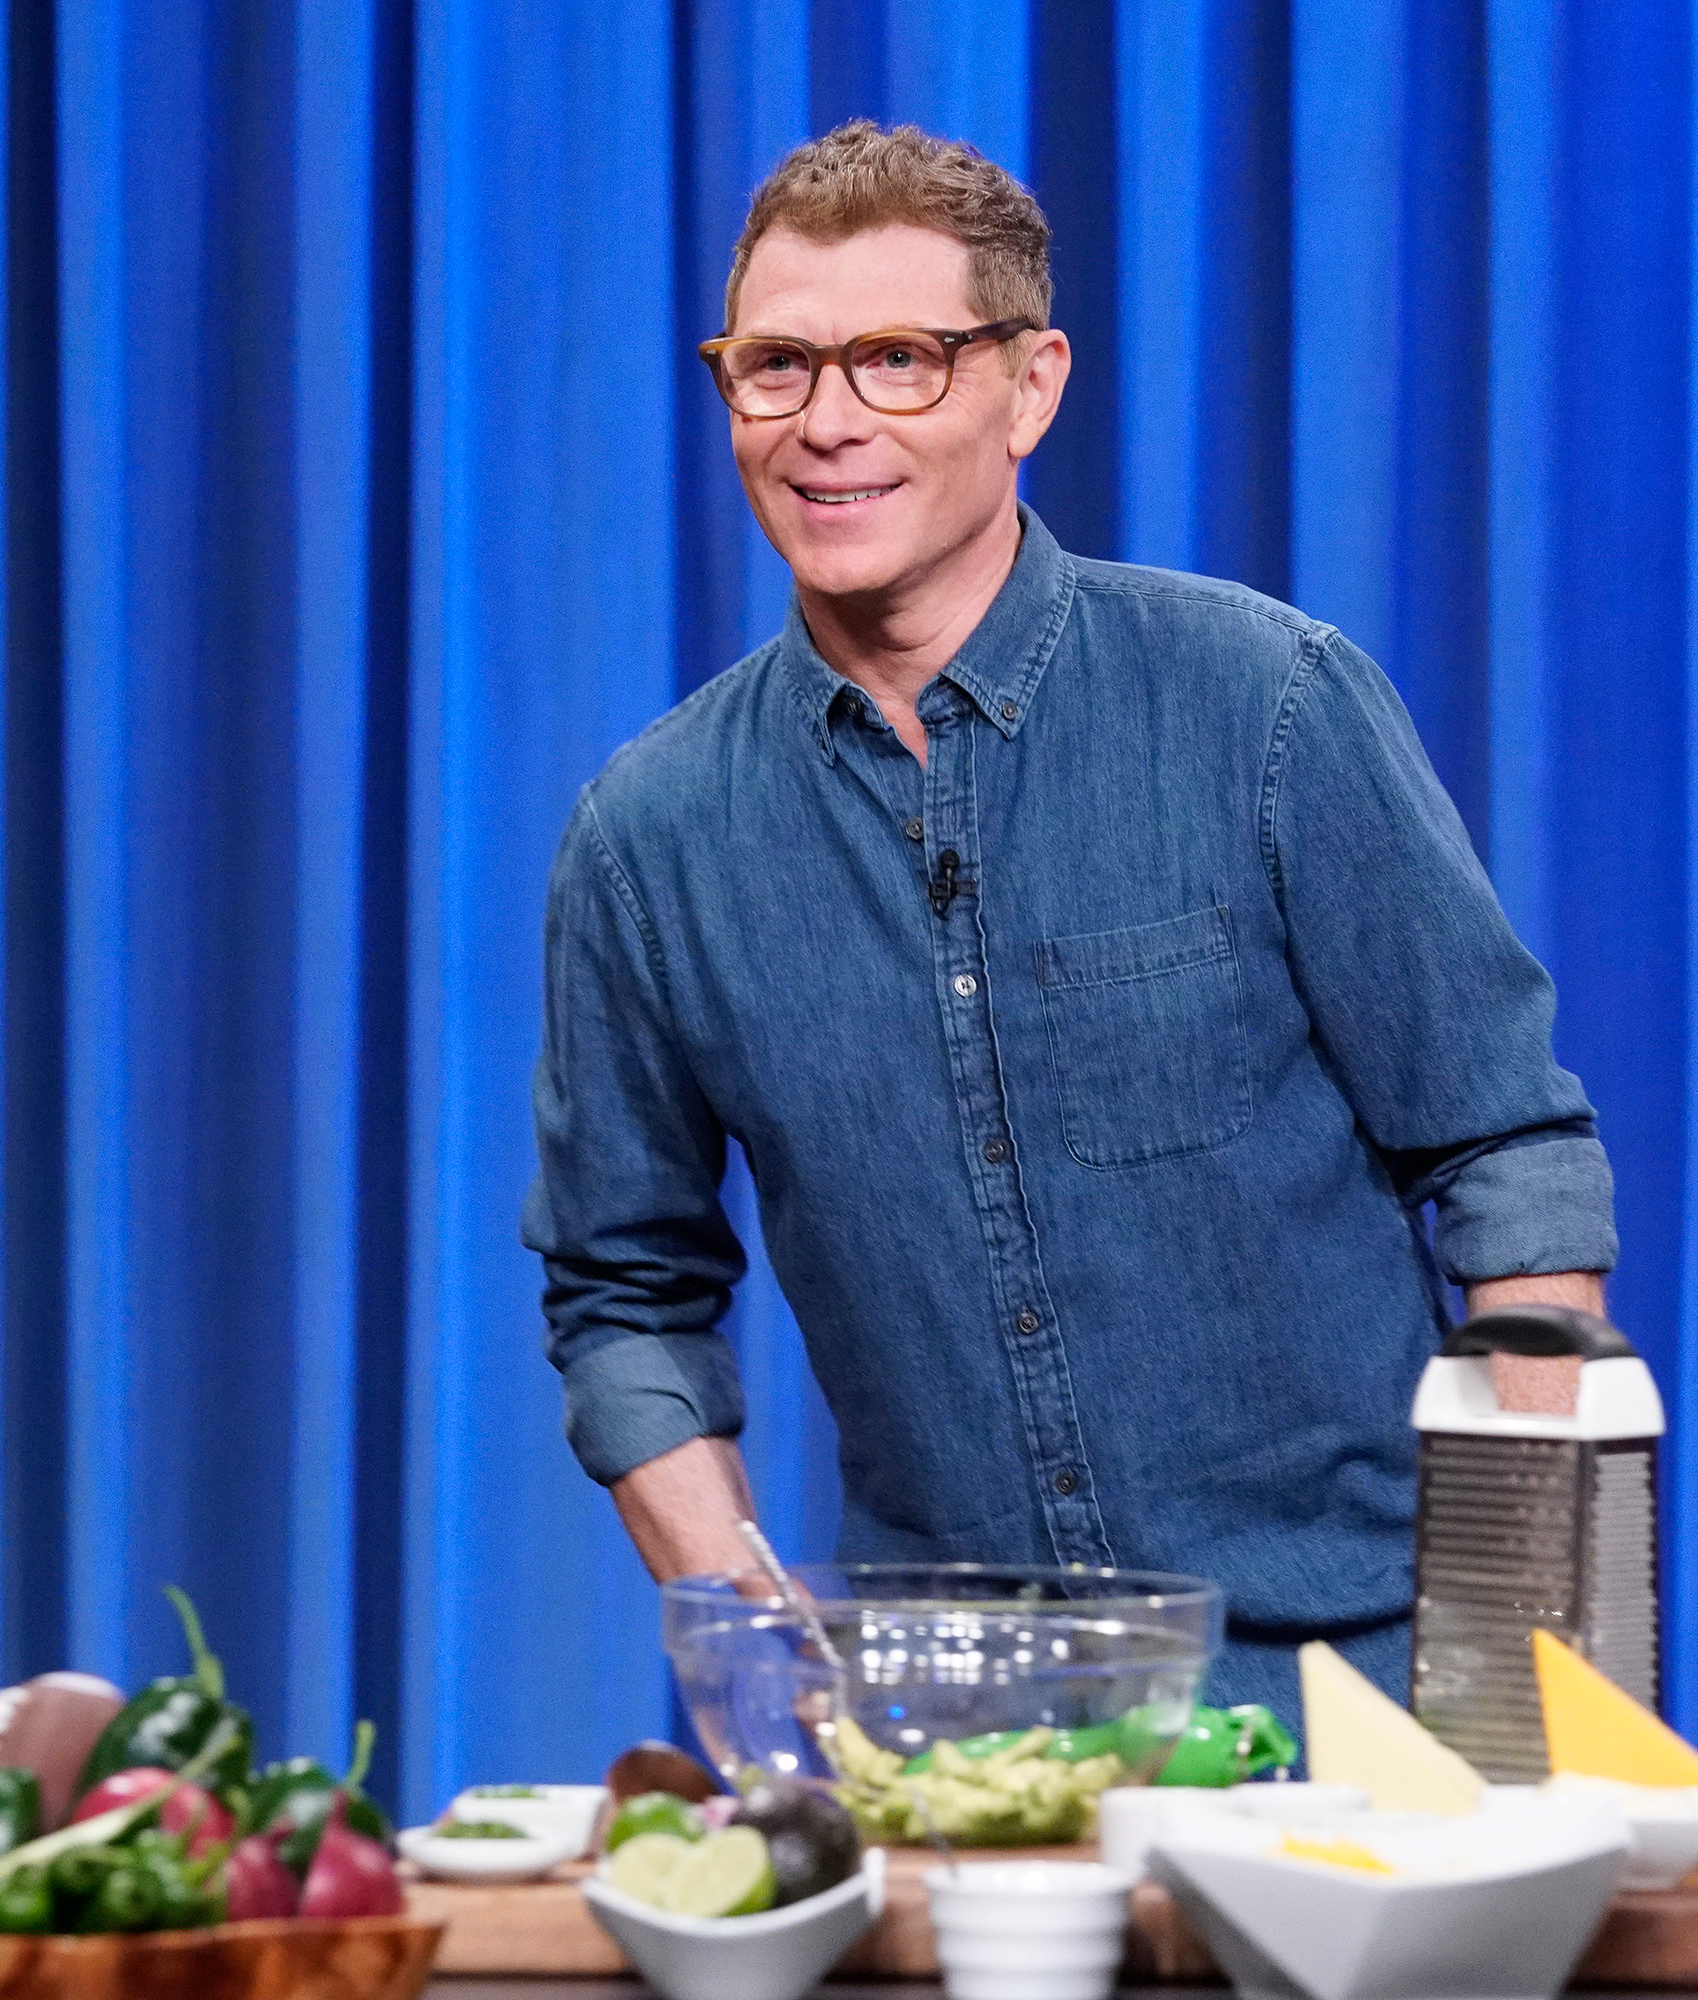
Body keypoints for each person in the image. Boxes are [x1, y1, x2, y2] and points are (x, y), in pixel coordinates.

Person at [523, 120, 1614, 1722]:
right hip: (965, 1736)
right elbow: (623, 1292)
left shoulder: (1265, 706)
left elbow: (1503, 1152)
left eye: (895, 360)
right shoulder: (651, 836)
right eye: (775, 366)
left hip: (1371, 1699)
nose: (826, 425)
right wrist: (762, 1654)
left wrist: (1529, 1662)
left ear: (1030, 387)